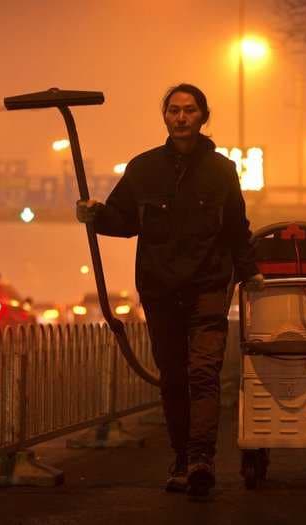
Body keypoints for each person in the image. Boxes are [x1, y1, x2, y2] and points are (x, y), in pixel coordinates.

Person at [76, 83, 263, 497]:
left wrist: (250, 274)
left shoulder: (222, 171)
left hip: (209, 286)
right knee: (174, 378)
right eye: (174, 111)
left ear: (203, 116)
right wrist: (95, 215)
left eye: (190, 110)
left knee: (203, 372)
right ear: (165, 117)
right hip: (160, 289)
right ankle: (182, 457)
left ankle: (200, 459)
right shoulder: (142, 170)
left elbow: (236, 228)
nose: (181, 118)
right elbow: (124, 221)